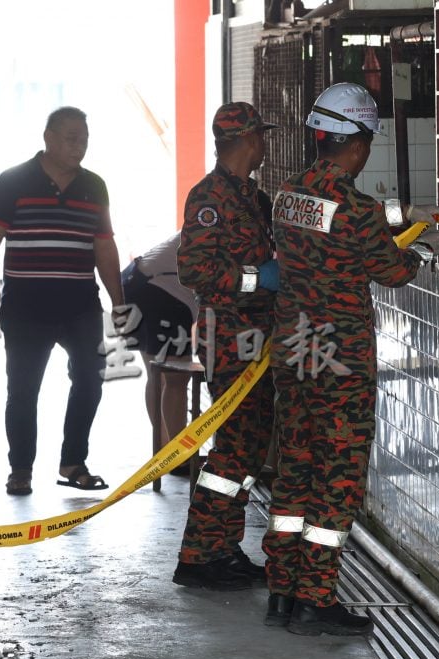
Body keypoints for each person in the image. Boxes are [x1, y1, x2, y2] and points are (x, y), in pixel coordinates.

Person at [260, 82, 439, 635]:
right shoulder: (358, 212)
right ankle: (317, 600)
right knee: (337, 479)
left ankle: (282, 592)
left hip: (294, 354)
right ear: (359, 144)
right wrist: (422, 248)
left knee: (294, 472)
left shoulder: (289, 194)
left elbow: (350, 215)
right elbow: (391, 272)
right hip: (341, 364)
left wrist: (402, 213)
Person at [0, 106, 124, 496]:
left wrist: (120, 302)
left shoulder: (95, 186)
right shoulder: (13, 182)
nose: (80, 146)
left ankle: (73, 462)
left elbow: (104, 248)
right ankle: (20, 469)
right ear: (48, 137)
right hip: (26, 307)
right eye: (71, 138)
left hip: (81, 305)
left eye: (85, 139)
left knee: (91, 382)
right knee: (23, 390)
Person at [171, 102, 279, 591]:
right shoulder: (209, 197)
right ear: (244, 140)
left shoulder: (253, 197)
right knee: (234, 449)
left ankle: (220, 545)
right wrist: (259, 280)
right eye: (260, 137)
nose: (264, 145)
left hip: (256, 339)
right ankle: (199, 555)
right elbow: (194, 271)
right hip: (228, 335)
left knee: (248, 448)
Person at [120, 233, 199, 476]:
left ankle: (165, 450)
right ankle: (178, 456)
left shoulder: (205, 218)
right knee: (176, 378)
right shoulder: (226, 227)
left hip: (135, 281)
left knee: (158, 376)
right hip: (162, 291)